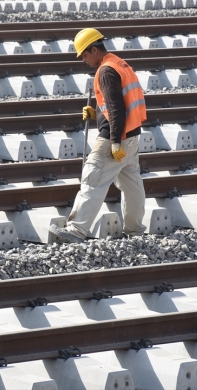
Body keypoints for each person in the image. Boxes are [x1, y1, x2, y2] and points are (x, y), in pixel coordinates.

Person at [49, 28, 147, 243]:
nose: (83, 60)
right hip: (131, 136)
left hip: (116, 138)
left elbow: (115, 108)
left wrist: (113, 142)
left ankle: (76, 229)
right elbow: (117, 104)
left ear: (94, 49)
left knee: (93, 178)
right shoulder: (119, 63)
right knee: (132, 184)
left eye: (84, 54)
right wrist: (96, 114)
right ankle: (136, 232)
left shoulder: (105, 71)